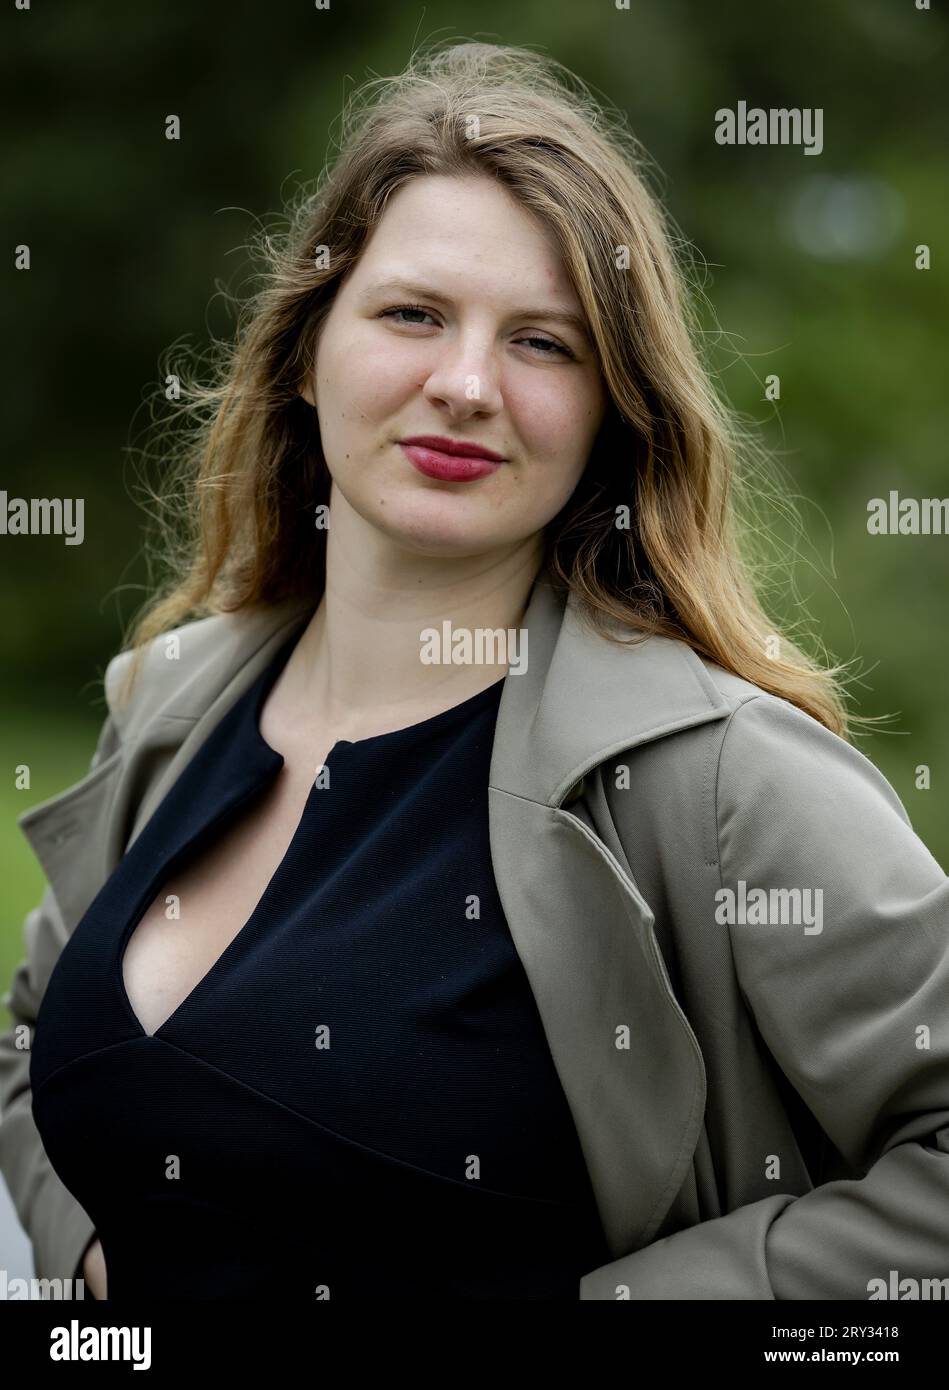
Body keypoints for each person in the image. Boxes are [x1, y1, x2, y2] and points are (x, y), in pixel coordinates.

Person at [2, 39, 948, 1301]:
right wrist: (91, 1256)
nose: (463, 385)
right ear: (306, 347)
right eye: (412, 314)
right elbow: (30, 1036)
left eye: (544, 344)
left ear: (615, 406)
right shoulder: (173, 700)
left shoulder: (712, 774)